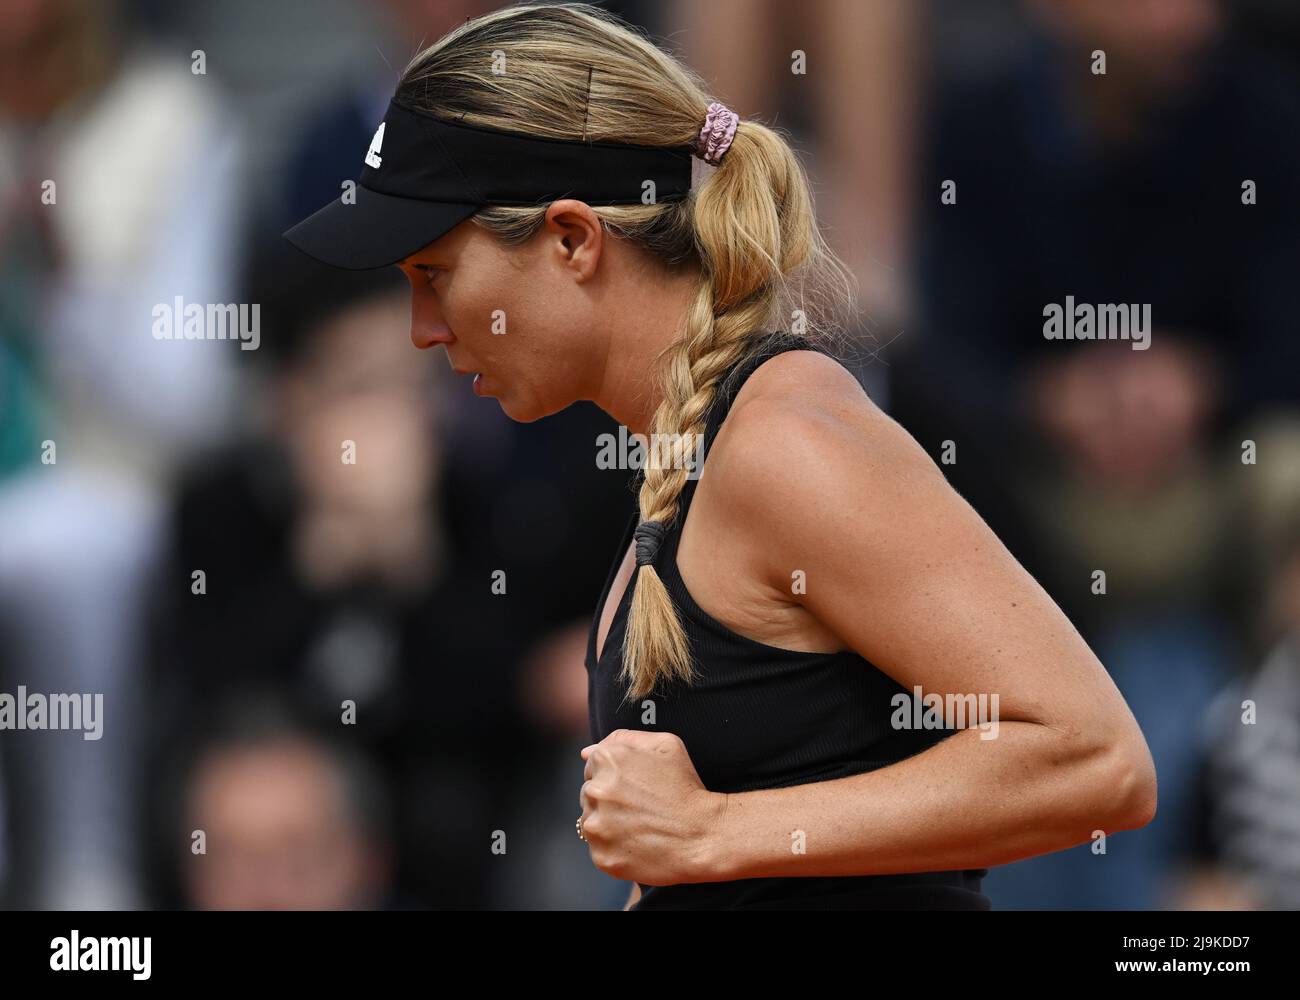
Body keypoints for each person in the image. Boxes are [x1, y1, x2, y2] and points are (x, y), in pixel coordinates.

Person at [283, 2, 1156, 911]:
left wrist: (712, 831)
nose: (422, 331)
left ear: (574, 240)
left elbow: (1096, 759)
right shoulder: (690, 452)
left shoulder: (783, 442)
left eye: (434, 276)